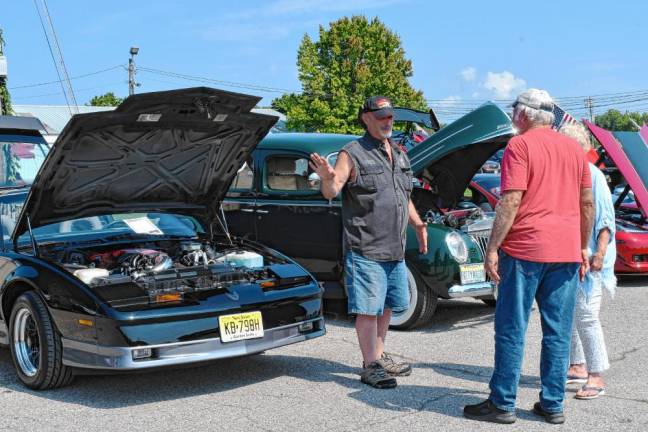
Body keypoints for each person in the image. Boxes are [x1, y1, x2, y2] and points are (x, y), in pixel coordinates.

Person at [463, 89, 595, 424]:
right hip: (565, 252)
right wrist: (583, 246)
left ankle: (503, 403)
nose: (512, 116)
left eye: (513, 111)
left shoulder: (519, 146)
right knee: (558, 330)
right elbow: (587, 203)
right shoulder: (574, 149)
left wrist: (492, 248)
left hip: (525, 249)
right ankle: (552, 404)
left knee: (511, 327)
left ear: (524, 114)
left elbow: (510, 201)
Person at [309, 95, 428, 389]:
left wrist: (418, 223)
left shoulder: (399, 153)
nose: (388, 121)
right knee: (368, 309)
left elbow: (404, 195)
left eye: (390, 116)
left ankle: (379, 354)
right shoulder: (352, 153)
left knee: (387, 307)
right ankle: (370, 364)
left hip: (394, 247)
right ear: (366, 118)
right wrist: (326, 177)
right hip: (365, 247)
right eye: (382, 117)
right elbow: (332, 189)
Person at [559, 122, 616, 400]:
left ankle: (596, 375)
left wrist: (600, 254)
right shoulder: (571, 174)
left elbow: (605, 220)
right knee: (571, 314)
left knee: (586, 316)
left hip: (592, 258)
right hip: (572, 257)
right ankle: (578, 366)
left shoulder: (593, 175)